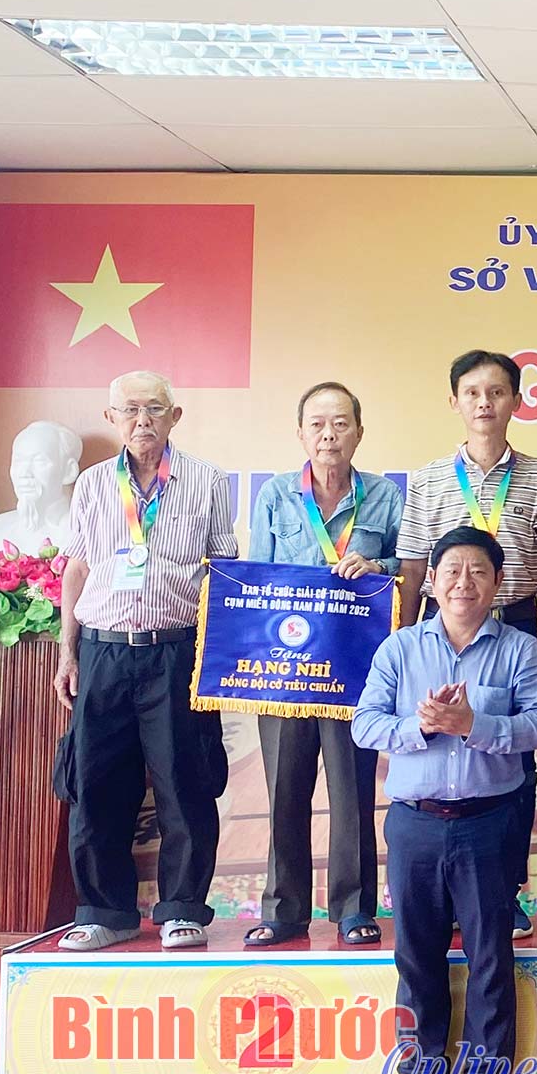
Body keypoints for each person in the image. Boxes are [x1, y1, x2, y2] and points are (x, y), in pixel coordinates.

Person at [353, 526, 537, 1074]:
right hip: (414, 822)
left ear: (497, 584)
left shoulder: (521, 650)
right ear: (432, 582)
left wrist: (473, 724)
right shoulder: (398, 649)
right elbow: (365, 724)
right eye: (451, 570)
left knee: (490, 956)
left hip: (489, 823)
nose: (463, 582)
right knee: (416, 956)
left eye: (477, 571)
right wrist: (420, 727)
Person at [51, 371, 235, 952]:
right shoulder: (92, 484)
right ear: (111, 419)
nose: (142, 420)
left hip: (177, 651)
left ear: (175, 416)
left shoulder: (208, 481)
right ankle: (105, 913)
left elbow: (223, 572)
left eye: (154, 408)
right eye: (129, 409)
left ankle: (182, 909)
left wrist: (218, 658)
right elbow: (77, 567)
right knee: (97, 782)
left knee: (185, 781)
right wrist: (68, 650)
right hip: (103, 650)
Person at [396, 351, 537, 938]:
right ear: (454, 402)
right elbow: (413, 564)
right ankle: (440, 892)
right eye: (472, 392)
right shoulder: (428, 480)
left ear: (516, 401)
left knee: (514, 759)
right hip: (440, 628)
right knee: (436, 747)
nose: (484, 403)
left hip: (514, 625)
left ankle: (505, 890)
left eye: (496, 392)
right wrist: (405, 639)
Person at [243, 382, 402, 948]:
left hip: (355, 671)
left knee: (352, 793)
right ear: (301, 433)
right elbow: (257, 580)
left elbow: (407, 570)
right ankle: (283, 910)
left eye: (340, 423)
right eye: (317, 424)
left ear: (359, 431)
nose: (329, 434)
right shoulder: (275, 496)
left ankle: (354, 910)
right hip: (285, 670)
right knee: (284, 792)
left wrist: (379, 565)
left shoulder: (384, 496)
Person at [0, 419, 82, 554]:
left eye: (39, 461)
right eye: (18, 461)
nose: (24, 473)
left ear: (69, 471)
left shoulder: (87, 536)